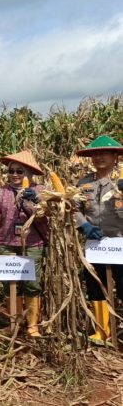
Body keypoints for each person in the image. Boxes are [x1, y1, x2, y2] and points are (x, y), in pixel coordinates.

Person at [0, 150, 48, 337]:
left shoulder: (40, 191)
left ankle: (32, 325)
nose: (15, 175)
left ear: (30, 173)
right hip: (6, 242)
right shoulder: (1, 192)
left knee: (32, 284)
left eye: (20, 171)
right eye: (11, 171)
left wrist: (33, 202)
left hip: (32, 243)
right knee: (10, 283)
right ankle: (14, 322)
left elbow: (43, 219)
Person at [73, 135, 123, 343]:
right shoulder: (84, 183)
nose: (99, 157)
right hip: (94, 244)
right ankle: (102, 331)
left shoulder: (121, 180)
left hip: (119, 243)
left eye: (104, 153)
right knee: (95, 284)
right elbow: (72, 208)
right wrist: (84, 225)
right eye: (95, 154)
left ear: (115, 156)